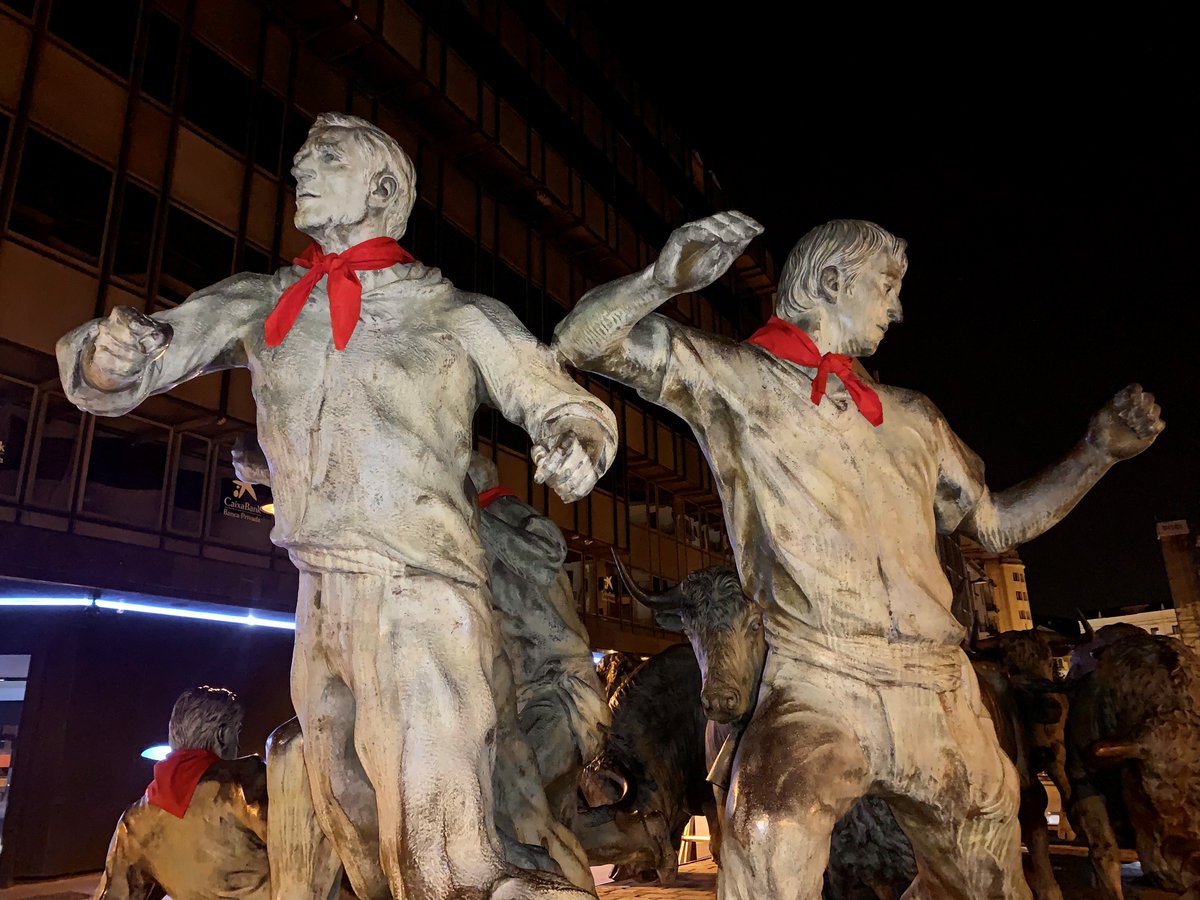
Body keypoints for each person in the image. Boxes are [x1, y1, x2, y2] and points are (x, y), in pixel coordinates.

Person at [59, 112, 616, 899]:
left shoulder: (453, 314)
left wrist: (576, 440)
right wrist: (109, 357)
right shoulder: (266, 302)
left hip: (420, 593)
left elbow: (559, 400)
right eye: (301, 160)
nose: (299, 170)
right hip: (319, 598)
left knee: (441, 858)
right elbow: (143, 354)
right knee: (353, 830)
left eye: (323, 159)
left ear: (383, 189)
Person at [552, 213, 1164, 898]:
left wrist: (1096, 454)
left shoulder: (912, 416)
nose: (898, 309)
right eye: (887, 286)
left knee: (991, 875)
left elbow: (994, 527)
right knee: (769, 833)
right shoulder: (737, 380)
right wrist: (663, 278)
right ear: (831, 281)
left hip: (939, 685)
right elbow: (581, 340)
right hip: (818, 678)